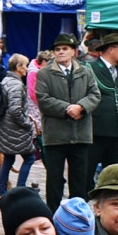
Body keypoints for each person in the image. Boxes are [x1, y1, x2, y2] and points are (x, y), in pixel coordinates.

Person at [35, 34, 101, 211]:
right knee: (55, 178)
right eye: (58, 49)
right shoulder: (44, 73)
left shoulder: (86, 71)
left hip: (80, 134)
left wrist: (81, 107)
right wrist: (67, 108)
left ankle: (78, 214)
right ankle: (53, 215)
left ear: (74, 52)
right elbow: (43, 99)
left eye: (65, 49)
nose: (61, 52)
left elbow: (95, 95)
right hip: (56, 135)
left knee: (79, 179)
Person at [86, 33, 118, 186]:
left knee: (113, 174)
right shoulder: (90, 68)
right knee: (87, 170)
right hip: (96, 129)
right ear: (111, 50)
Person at [0, 53, 38, 196]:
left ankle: (2, 191)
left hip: (5, 126)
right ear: (19, 67)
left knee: (9, 158)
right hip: (15, 128)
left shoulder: (7, 80)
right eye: (25, 65)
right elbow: (15, 110)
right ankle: (20, 190)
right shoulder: (16, 84)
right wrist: (27, 124)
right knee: (29, 158)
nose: (26, 68)